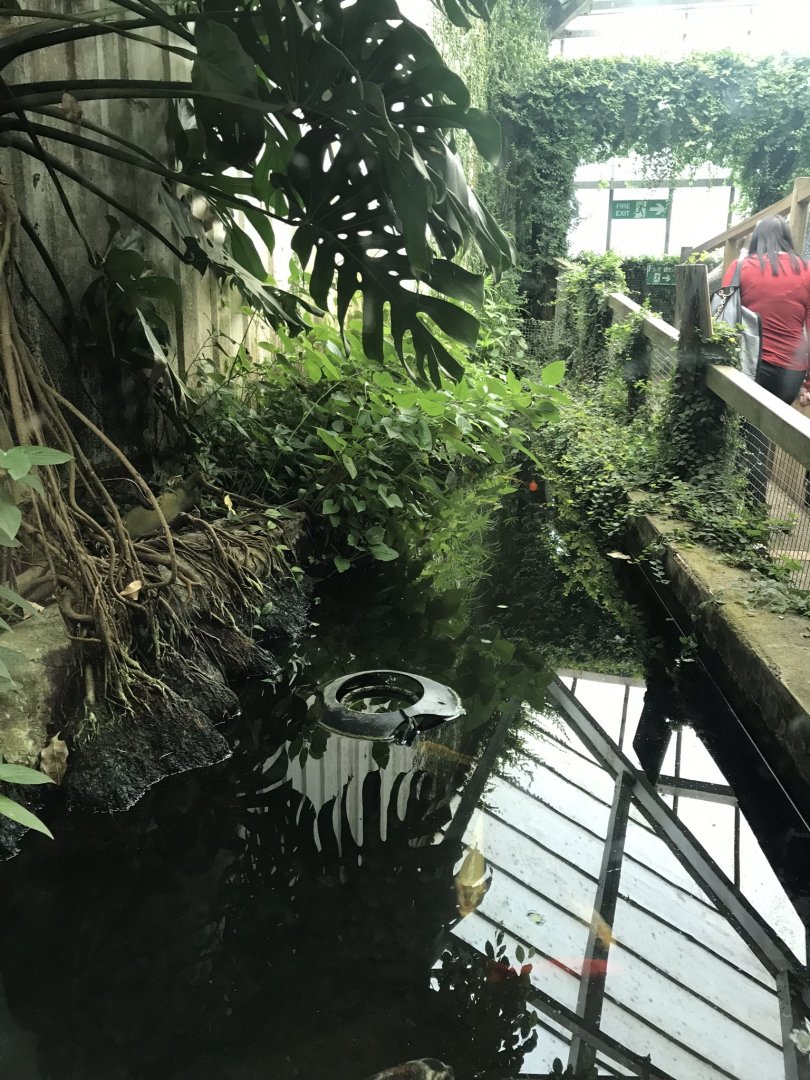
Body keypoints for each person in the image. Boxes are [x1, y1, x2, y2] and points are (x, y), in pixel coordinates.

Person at [722, 216, 810, 502]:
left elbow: (724, 316)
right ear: (787, 239)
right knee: (761, 431)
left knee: (752, 431)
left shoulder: (741, 267)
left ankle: (752, 507)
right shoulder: (807, 272)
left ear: (756, 239)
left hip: (752, 367)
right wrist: (807, 382)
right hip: (791, 374)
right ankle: (750, 502)